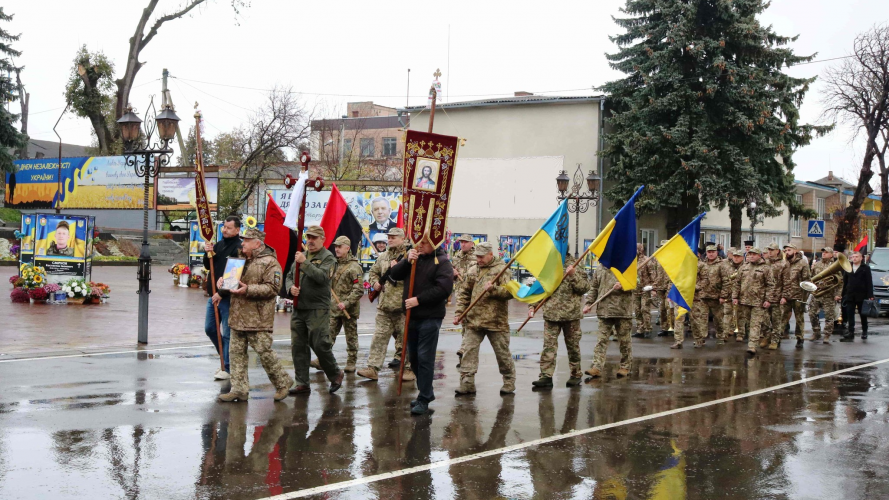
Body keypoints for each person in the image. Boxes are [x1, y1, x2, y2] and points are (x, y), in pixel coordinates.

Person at [217, 228, 294, 403]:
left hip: (257, 318)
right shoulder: (238, 260)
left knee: (265, 353)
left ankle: (283, 383)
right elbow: (231, 282)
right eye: (243, 240)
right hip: (237, 315)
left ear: (257, 243)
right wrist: (223, 282)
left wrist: (248, 289)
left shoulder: (270, 263)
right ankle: (239, 389)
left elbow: (273, 288)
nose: (242, 243)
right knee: (236, 354)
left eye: (246, 240)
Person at [389, 237, 454, 415]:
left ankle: (424, 398)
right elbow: (394, 275)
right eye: (418, 242)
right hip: (412, 316)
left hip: (430, 316)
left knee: (425, 357)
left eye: (424, 243)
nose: (419, 246)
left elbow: (444, 289)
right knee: (414, 358)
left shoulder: (442, 262)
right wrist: (406, 261)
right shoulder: (413, 258)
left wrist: (419, 300)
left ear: (434, 243)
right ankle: (425, 392)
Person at [285, 225, 344, 395]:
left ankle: (335, 373)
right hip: (299, 308)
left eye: (314, 238)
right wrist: (290, 288)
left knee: (320, 344)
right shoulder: (301, 255)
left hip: (317, 308)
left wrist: (305, 262)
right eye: (308, 237)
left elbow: (322, 277)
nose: (310, 241)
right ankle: (302, 383)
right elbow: (289, 276)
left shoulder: (328, 258)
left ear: (322, 239)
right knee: (298, 346)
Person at [454, 241, 516, 395]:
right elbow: (464, 293)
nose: (479, 259)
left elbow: (510, 293)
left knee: (502, 354)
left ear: (490, 254)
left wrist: (494, 289)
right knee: (468, 352)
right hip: (474, 320)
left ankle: (509, 381)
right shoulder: (473, 270)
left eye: (481, 257)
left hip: (496, 321)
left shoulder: (502, 270)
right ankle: (467, 383)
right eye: (477, 256)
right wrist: (459, 313)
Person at [357, 228, 415, 381]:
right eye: (389, 237)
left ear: (402, 238)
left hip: (402, 307)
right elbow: (373, 272)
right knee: (379, 338)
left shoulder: (409, 256)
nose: (390, 239)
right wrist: (374, 283)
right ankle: (373, 368)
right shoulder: (384, 256)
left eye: (393, 237)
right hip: (384, 306)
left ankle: (409, 369)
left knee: (406, 340)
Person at [530, 253, 588, 388]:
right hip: (551, 314)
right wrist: (532, 306)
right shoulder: (548, 264)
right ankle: (546, 376)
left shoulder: (576, 263)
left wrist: (573, 275)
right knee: (548, 347)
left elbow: (584, 288)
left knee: (573, 347)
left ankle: (575, 374)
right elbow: (540, 288)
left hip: (571, 315)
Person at [203, 216, 243, 380]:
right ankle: (225, 357)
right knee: (210, 329)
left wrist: (221, 293)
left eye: (229, 228)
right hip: (213, 295)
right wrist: (207, 253)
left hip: (227, 297)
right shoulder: (218, 245)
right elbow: (208, 265)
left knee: (227, 334)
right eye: (224, 227)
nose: (225, 230)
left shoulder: (238, 248)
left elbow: (234, 275)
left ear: (237, 230)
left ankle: (227, 367)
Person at [322, 236, 365, 373]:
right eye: (336, 246)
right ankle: (323, 360)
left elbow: (359, 289)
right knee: (328, 336)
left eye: (340, 247)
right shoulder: (334, 264)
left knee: (351, 337)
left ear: (347, 248)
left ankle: (351, 361)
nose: (337, 249)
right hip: (334, 308)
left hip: (348, 310)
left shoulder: (354, 267)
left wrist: (346, 303)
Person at [583, 263, 633, 378]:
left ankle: (625, 366)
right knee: (601, 340)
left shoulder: (625, 264)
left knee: (624, 341)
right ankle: (597, 367)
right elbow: (594, 288)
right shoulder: (600, 268)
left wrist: (623, 285)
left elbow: (637, 283)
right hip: (604, 310)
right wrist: (588, 303)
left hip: (622, 310)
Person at [732, 248, 777, 356]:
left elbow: (771, 285)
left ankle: (752, 346)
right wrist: (735, 297)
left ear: (759, 256)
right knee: (751, 322)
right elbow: (737, 283)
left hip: (759, 301)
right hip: (744, 300)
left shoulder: (765, 268)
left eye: (754, 254)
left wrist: (768, 299)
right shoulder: (744, 267)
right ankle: (768, 333)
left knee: (755, 324)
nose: (751, 256)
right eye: (750, 254)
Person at [691, 244, 724, 347]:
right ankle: (701, 339)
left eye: (713, 252)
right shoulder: (702, 264)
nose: (711, 254)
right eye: (709, 252)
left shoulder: (721, 265)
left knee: (718, 319)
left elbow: (726, 281)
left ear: (716, 253)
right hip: (703, 295)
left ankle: (720, 336)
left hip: (716, 296)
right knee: (701, 318)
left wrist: (723, 296)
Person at [809, 247, 843, 344]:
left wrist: (838, 294)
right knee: (812, 314)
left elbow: (840, 282)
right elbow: (812, 278)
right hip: (817, 294)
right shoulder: (817, 264)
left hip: (829, 295)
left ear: (831, 255)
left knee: (829, 316)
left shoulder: (835, 266)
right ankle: (816, 332)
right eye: (823, 252)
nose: (824, 253)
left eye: (826, 252)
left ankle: (827, 335)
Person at [451, 234, 476, 365]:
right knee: (464, 324)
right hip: (461, 295)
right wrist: (453, 274)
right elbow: (450, 276)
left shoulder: (477, 257)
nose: (463, 244)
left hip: (474, 295)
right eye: (461, 242)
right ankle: (464, 356)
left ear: (472, 243)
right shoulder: (457, 257)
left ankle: (465, 351)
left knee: (471, 325)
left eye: (466, 242)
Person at [782, 243, 811, 348]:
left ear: (795, 251)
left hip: (798, 295)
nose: (787, 252)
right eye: (785, 250)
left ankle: (800, 338)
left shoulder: (802, 263)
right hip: (786, 295)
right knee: (782, 317)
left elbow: (807, 280)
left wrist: (804, 296)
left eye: (789, 250)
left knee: (799, 318)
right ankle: (778, 337)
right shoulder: (784, 263)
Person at [841, 251, 874, 342]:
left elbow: (869, 282)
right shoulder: (848, 267)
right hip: (850, 294)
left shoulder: (865, 268)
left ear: (861, 258)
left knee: (863, 314)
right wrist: (842, 294)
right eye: (853, 257)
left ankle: (864, 331)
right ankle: (851, 332)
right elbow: (845, 282)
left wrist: (870, 295)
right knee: (850, 314)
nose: (854, 258)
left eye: (856, 256)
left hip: (861, 295)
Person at [763, 242, 788, 349]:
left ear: (777, 251)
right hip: (765, 296)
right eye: (769, 250)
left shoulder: (783, 264)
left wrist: (784, 296)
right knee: (764, 319)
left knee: (776, 320)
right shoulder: (765, 263)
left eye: (772, 250)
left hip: (778, 296)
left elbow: (787, 282)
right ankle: (767, 336)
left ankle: (775, 340)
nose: (770, 252)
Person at [720, 248, 744, 343]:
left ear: (742, 257)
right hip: (729, 294)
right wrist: (723, 294)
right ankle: (725, 333)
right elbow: (724, 281)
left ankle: (740, 334)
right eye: (735, 256)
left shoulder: (745, 267)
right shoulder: (727, 267)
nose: (736, 258)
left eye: (738, 257)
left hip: (741, 295)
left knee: (740, 315)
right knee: (727, 314)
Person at [652, 240, 674, 337]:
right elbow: (654, 273)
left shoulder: (673, 259)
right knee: (662, 309)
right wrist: (654, 287)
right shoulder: (657, 258)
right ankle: (664, 327)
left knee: (669, 307)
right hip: (660, 287)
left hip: (670, 286)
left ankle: (672, 327)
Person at [632, 244, 654, 338]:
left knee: (644, 309)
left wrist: (653, 288)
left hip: (645, 289)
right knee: (637, 310)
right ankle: (640, 329)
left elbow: (652, 274)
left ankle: (648, 328)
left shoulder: (647, 260)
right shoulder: (632, 261)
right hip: (635, 289)